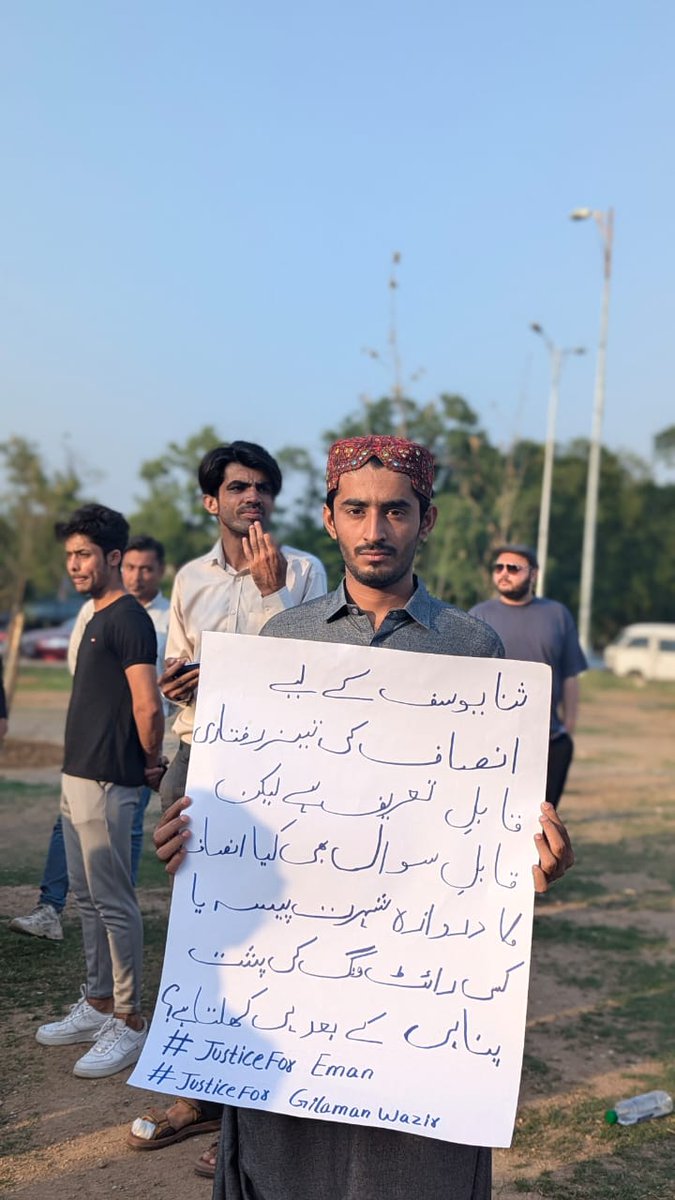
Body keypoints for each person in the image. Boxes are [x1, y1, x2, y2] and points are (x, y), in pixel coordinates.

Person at [154, 436, 574, 1200]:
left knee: (411, 1170)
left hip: (417, 985)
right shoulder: (285, 641)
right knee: (286, 1167)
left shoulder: (472, 648)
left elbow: (497, 817)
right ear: (329, 518)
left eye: (394, 510)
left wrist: (532, 858)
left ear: (426, 520)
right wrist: (186, 835)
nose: (374, 528)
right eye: (356, 510)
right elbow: (223, 793)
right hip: (293, 980)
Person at [127, 439, 327, 1174]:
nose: (254, 498)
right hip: (199, 757)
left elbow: (311, 675)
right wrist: (180, 680)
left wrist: (273, 597)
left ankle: (254, 1115)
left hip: (278, 769)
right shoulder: (188, 578)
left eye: (264, 488)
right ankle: (198, 1092)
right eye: (239, 488)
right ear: (211, 501)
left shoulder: (303, 572)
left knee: (271, 930)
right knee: (198, 927)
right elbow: (176, 661)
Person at [35, 504, 164, 1078]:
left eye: (84, 554)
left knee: (113, 901)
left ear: (113, 556)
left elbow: (146, 701)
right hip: (77, 775)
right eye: (70, 556)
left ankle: (130, 1019)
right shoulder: (94, 614)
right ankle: (96, 1002)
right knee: (85, 898)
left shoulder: (130, 618)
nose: (75, 565)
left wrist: (151, 762)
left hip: (111, 778)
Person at [8, 535, 170, 943]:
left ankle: (120, 917)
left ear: (160, 571)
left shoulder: (166, 617)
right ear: (119, 564)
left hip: (138, 743)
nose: (137, 575)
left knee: (126, 833)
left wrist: (150, 751)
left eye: (146, 568)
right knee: (68, 828)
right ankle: (51, 907)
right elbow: (81, 668)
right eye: (131, 567)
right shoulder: (91, 611)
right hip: (93, 739)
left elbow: (156, 695)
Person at [469, 544, 587, 809]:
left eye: (513, 568)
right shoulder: (478, 615)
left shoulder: (557, 615)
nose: (504, 573)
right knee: (494, 810)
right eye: (499, 567)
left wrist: (569, 725)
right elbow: (468, 676)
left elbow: (570, 674)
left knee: (542, 816)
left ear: (533, 574)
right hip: (494, 738)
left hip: (548, 741)